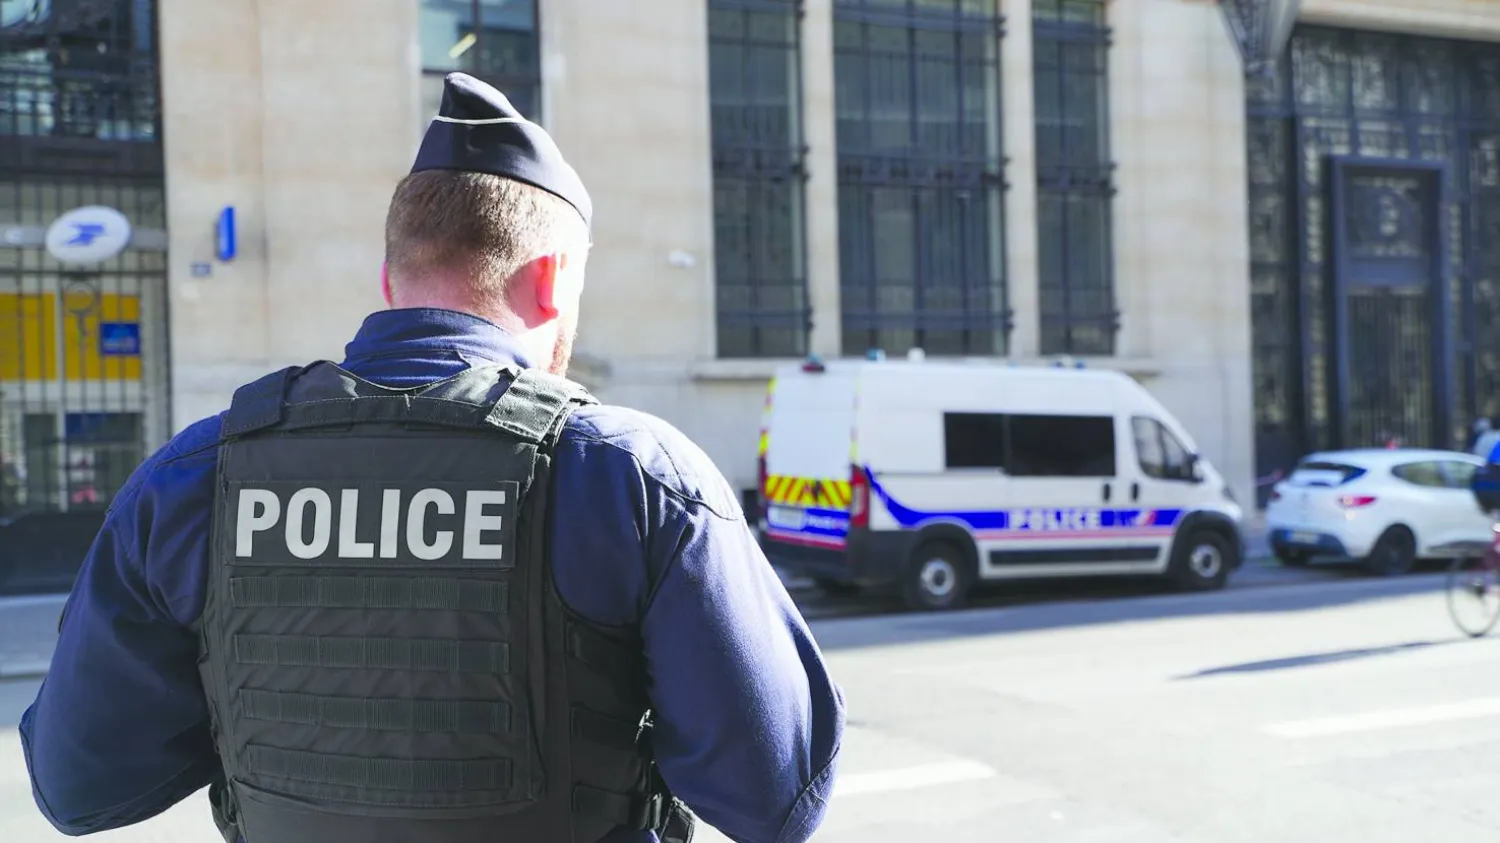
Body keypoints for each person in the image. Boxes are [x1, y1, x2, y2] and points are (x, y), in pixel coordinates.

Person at [21, 72, 844, 843]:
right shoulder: (633, 478)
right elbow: (777, 794)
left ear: (389, 276)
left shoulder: (191, 478)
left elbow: (79, 784)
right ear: (553, 280)